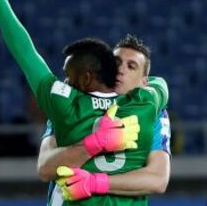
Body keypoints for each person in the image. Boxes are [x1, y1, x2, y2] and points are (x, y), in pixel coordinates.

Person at [0, 0, 168, 206]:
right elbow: (161, 84)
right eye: (117, 63)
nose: (65, 81)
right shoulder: (148, 105)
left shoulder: (66, 106)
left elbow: (25, 52)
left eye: (68, 75)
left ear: (86, 78)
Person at [38, 35, 171, 205]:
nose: (120, 70)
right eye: (115, 63)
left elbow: (158, 179)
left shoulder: (154, 114)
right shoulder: (73, 105)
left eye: (131, 66)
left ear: (144, 83)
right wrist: (90, 145)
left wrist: (95, 182)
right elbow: (45, 168)